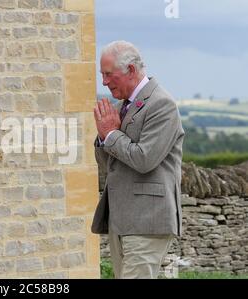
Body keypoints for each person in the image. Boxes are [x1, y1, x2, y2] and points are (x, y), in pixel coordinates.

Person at [91, 41, 184, 279]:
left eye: (109, 75)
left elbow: (144, 159)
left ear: (131, 70)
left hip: (147, 220)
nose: (104, 82)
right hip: (122, 220)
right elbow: (110, 167)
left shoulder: (162, 104)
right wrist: (104, 137)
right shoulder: (125, 106)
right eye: (102, 75)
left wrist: (110, 135)